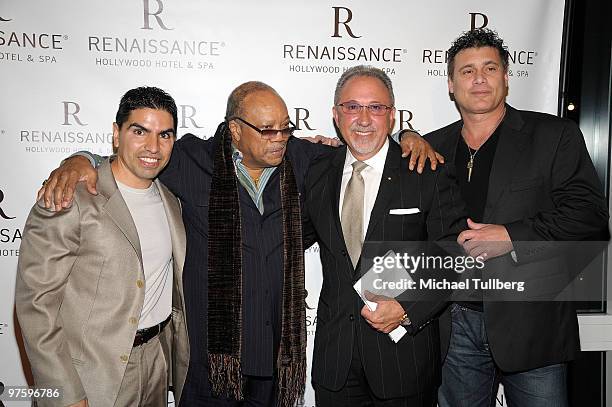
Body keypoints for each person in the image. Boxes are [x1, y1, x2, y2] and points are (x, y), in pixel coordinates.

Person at [37, 81, 438, 406]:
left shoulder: (304, 159)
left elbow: (366, 142)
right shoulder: (190, 160)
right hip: (210, 366)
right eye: (267, 130)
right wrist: (81, 159)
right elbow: (137, 155)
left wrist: (408, 135)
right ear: (234, 130)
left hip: (276, 363)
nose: (279, 138)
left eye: (285, 127)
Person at [425, 29, 609, 407]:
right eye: (467, 70)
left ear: (506, 78)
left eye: (490, 68)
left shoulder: (553, 135)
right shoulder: (433, 147)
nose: (479, 78)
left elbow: (590, 217)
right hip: (454, 326)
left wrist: (513, 236)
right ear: (450, 84)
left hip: (533, 326)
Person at [302, 65, 467, 407]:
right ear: (336, 115)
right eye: (352, 107)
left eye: (376, 108)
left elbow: (455, 255)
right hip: (336, 362)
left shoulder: (426, 172)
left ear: (392, 116)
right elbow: (291, 235)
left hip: (403, 359)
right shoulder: (317, 172)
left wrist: (407, 308)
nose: (364, 119)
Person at [15, 87, 189, 407]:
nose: (153, 146)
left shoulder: (173, 199)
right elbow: (36, 305)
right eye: (140, 131)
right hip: (92, 374)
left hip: (157, 364)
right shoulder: (70, 196)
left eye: (165, 135)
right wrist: (65, 393)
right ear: (116, 134)